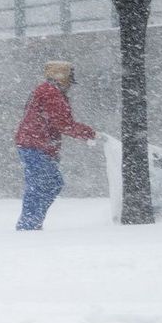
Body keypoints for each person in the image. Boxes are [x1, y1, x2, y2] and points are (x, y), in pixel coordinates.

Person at [13, 60, 97, 231]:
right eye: (69, 81)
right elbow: (63, 123)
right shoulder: (51, 93)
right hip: (35, 145)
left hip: (37, 144)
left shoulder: (47, 91)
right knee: (43, 184)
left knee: (49, 183)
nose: (70, 86)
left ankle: (31, 223)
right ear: (61, 78)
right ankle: (29, 225)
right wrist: (89, 133)